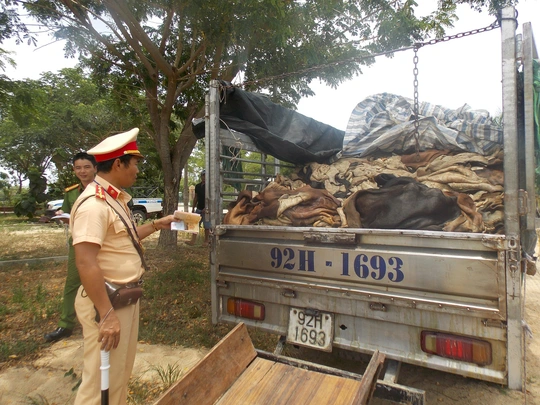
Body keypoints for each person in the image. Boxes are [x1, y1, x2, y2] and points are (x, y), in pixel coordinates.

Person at [70, 128, 176, 405]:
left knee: (117, 377)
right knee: (99, 386)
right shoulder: (94, 205)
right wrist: (106, 315)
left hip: (122, 299)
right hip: (106, 302)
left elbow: (124, 238)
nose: (138, 170)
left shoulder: (114, 199)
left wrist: (156, 224)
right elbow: (85, 261)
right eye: (135, 163)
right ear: (118, 164)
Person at [44, 152, 97, 343]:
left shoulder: (104, 189)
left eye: (86, 167)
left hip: (101, 244)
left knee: (103, 279)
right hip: (79, 243)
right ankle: (65, 325)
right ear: (74, 170)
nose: (82, 171)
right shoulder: (72, 192)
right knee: (72, 282)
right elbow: (67, 214)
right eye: (78, 168)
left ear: (95, 168)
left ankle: (101, 317)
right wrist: (61, 215)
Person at [186, 170, 210, 247]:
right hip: (198, 208)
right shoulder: (198, 186)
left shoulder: (209, 186)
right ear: (201, 176)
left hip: (206, 209)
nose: (204, 177)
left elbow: (211, 198)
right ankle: (192, 241)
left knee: (207, 226)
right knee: (195, 225)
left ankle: (206, 241)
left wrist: (206, 207)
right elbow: (196, 197)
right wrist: (193, 208)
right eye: (203, 175)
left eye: (206, 175)